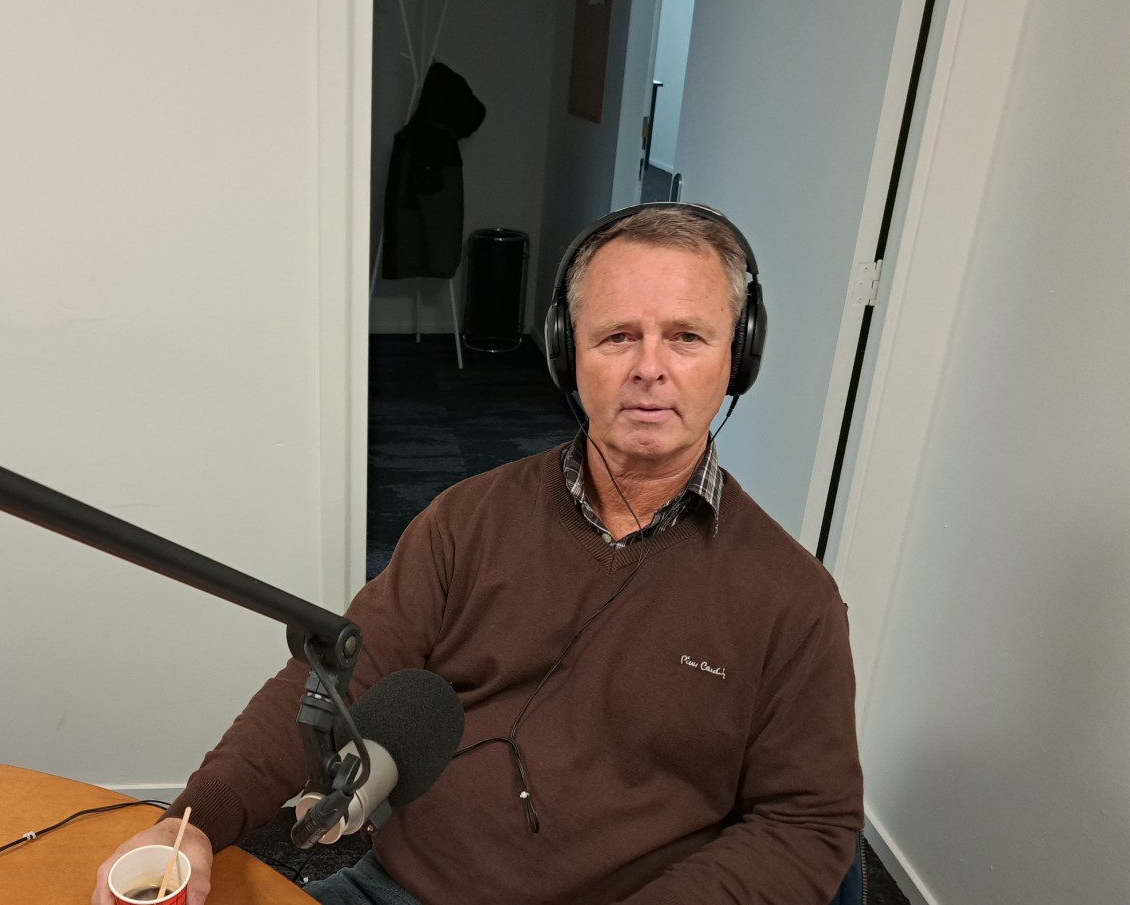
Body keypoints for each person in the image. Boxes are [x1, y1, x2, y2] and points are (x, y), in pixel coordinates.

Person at [93, 203, 863, 905]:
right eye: (618, 336)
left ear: (738, 356)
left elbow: (807, 822)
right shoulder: (468, 519)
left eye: (687, 336)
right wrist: (190, 822)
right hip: (399, 889)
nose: (649, 368)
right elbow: (335, 681)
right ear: (566, 351)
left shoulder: (791, 599)